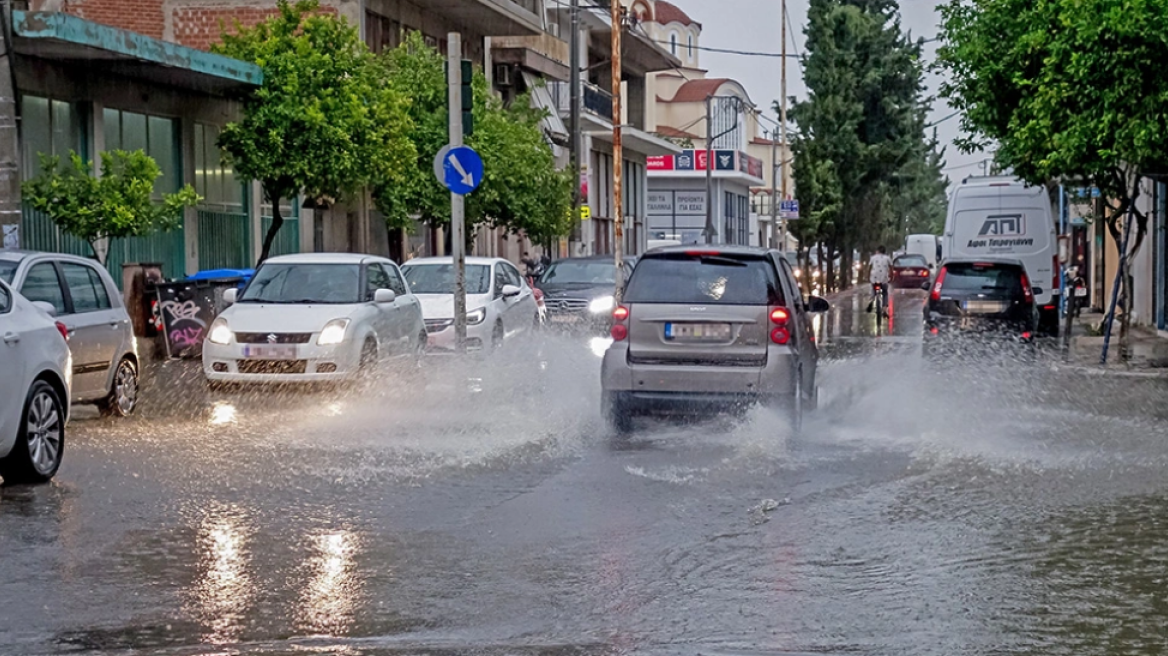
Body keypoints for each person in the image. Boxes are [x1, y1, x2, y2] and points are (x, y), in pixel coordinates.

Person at [867, 245, 892, 313]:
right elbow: (891, 269)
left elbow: (869, 268)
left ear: (877, 251)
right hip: (884, 278)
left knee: (873, 290)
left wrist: (868, 276)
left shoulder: (873, 258)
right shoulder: (887, 258)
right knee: (885, 293)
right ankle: (884, 308)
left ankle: (871, 300)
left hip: (874, 278)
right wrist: (891, 277)